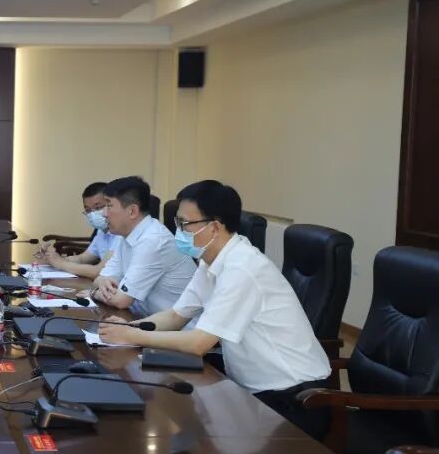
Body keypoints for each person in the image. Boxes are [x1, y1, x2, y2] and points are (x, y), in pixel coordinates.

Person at [98, 180, 332, 440]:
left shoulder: (242, 268)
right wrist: (128, 328)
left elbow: (199, 343)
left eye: (185, 224)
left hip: (295, 397)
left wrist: (133, 336)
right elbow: (176, 316)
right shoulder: (211, 260)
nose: (178, 232)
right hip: (252, 388)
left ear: (215, 227)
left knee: (203, 442)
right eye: (177, 223)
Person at [91, 176, 195, 316]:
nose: (104, 214)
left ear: (132, 211)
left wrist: (94, 293)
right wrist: (100, 285)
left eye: (109, 206)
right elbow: (101, 278)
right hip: (143, 318)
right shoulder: (126, 235)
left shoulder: (154, 240)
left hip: (177, 327)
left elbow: (121, 301)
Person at [34, 181, 120, 278]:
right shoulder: (101, 231)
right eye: (88, 210)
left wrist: (61, 264)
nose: (92, 214)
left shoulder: (121, 233)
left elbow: (99, 272)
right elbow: (82, 258)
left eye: (98, 207)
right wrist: (52, 258)